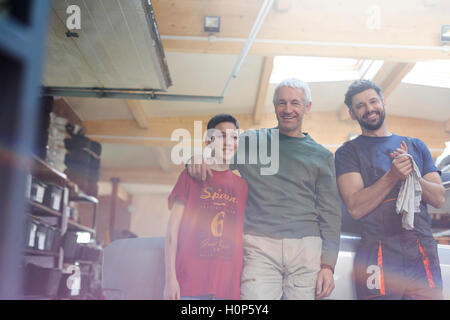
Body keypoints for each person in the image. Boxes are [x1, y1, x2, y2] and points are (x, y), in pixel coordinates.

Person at [188, 78, 342, 300]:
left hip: (306, 249)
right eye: (282, 103)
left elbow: (330, 213)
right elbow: (216, 160)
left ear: (307, 107)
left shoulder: (322, 156)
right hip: (259, 246)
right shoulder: (251, 142)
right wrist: (196, 158)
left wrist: (328, 265)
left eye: (295, 103)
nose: (288, 109)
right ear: (274, 106)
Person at [335, 79, 445, 300]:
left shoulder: (416, 146)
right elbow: (355, 207)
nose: (369, 109)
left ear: (383, 102)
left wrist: (413, 175)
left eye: (373, 101)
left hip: (421, 250)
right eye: (360, 106)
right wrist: (393, 175)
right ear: (352, 114)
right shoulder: (348, 153)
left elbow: (439, 198)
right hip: (378, 253)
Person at [164, 113, 248, 300]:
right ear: (208, 141)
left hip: (228, 288)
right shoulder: (189, 177)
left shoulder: (242, 186)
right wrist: (170, 279)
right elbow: (172, 231)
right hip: (190, 284)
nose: (227, 142)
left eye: (233, 137)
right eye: (221, 136)